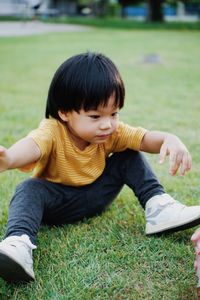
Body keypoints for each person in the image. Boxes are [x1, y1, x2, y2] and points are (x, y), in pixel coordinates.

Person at [0, 52, 200, 283]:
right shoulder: (52, 130)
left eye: (113, 113)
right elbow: (33, 145)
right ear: (64, 112)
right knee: (28, 188)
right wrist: (9, 158)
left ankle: (159, 208)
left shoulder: (111, 132)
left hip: (98, 196)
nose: (107, 124)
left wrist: (169, 138)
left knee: (128, 154)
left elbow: (144, 138)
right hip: (57, 204)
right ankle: (18, 244)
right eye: (95, 116)